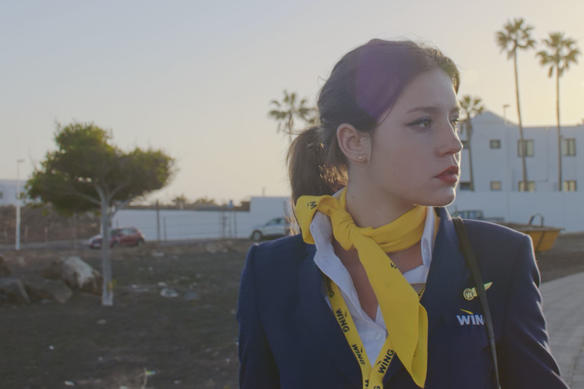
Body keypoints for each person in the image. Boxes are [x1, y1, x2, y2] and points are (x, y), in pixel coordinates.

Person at [237, 39, 568, 389]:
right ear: (354, 143)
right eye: (423, 122)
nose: (454, 143)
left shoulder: (500, 258)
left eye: (454, 120)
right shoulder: (270, 272)